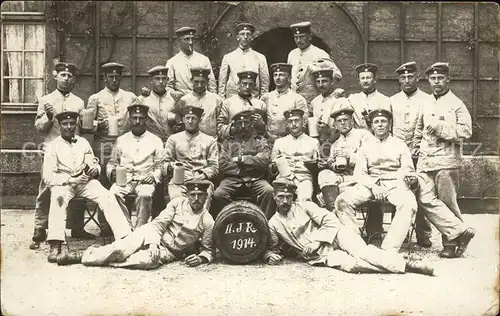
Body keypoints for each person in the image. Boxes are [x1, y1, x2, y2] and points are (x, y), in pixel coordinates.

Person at [263, 179, 434, 276]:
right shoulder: (274, 223)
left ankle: (409, 265)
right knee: (352, 266)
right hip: (321, 254)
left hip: (337, 235)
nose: (285, 201)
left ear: (293, 196)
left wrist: (316, 241)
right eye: (281, 197)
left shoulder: (305, 206)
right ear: (274, 197)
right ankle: (399, 262)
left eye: (288, 197)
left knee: (362, 252)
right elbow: (273, 248)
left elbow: (331, 220)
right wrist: (270, 256)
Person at [62, 180, 214, 269]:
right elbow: (157, 225)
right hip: (151, 234)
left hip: (170, 251)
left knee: (144, 261)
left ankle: (105, 256)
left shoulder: (207, 221)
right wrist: (153, 243)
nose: (196, 199)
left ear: (206, 196)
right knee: (120, 249)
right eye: (192, 195)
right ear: (187, 195)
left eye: (200, 195)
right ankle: (81, 256)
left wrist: (201, 259)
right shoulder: (176, 204)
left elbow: (208, 249)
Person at [43, 111, 132, 263]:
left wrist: (94, 169)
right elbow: (47, 176)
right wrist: (70, 179)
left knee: (107, 196)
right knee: (57, 197)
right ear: (59, 125)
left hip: (85, 183)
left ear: (76, 124)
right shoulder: (53, 146)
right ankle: (55, 242)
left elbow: (93, 162)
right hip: (65, 184)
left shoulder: (83, 142)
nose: (69, 127)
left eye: (72, 123)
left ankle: (124, 237)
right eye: (65, 124)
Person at [334, 109, 418, 251]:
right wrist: (373, 186)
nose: (380, 125)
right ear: (372, 126)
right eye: (376, 122)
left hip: (394, 183)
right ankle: (355, 244)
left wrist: (410, 177)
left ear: (390, 124)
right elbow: (360, 173)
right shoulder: (366, 146)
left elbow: (407, 169)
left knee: (409, 204)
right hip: (369, 184)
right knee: (342, 201)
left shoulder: (400, 144)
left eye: (383, 121)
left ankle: (389, 248)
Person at [416, 62, 475, 257]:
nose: (436, 82)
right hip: (425, 161)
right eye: (433, 79)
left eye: (440, 78)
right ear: (429, 80)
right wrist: (416, 148)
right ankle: (460, 231)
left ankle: (449, 246)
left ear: (447, 79)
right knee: (424, 199)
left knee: (447, 202)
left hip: (447, 161)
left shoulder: (456, 103)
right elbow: (419, 129)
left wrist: (442, 128)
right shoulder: (425, 102)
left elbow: (466, 131)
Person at [30, 62, 90, 250]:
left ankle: (76, 227)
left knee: (78, 183)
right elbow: (39, 128)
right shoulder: (46, 100)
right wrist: (48, 117)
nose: (66, 78)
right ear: (55, 76)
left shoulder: (79, 102)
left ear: (73, 79)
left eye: (69, 76)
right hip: (52, 150)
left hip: (72, 150)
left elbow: (81, 129)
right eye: (62, 74)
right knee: (47, 189)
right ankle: (40, 228)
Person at [390, 61, 433, 247]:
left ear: (417, 78)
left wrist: (419, 146)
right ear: (399, 80)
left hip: (419, 153)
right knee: (398, 189)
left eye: (410, 77)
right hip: (398, 154)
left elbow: (429, 128)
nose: (407, 80)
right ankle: (399, 233)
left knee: (421, 191)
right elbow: (388, 128)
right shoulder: (392, 100)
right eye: (403, 77)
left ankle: (424, 234)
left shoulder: (427, 99)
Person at [107, 104, 164, 228]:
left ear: (146, 120)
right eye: (134, 118)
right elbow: (112, 162)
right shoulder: (121, 140)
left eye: (141, 118)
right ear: (130, 119)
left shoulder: (155, 140)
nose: (137, 121)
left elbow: (161, 165)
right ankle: (125, 229)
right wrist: (112, 173)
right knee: (113, 193)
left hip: (144, 180)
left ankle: (140, 229)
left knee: (145, 195)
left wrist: (154, 176)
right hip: (124, 180)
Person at [212, 110, 275, 219]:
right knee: (219, 194)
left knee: (268, 191)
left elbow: (264, 160)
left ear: (251, 125)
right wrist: (249, 165)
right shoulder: (228, 142)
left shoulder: (260, 141)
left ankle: (264, 222)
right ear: (234, 126)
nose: (243, 127)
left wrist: (242, 159)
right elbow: (222, 164)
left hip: (255, 179)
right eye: (239, 124)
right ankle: (229, 220)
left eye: (246, 123)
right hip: (232, 179)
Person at [317, 108, 374, 211]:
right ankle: (334, 210)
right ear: (335, 125)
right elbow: (334, 167)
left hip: (361, 177)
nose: (343, 123)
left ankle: (334, 212)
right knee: (324, 174)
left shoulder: (363, 135)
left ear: (351, 121)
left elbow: (372, 158)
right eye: (339, 121)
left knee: (323, 196)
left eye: (346, 119)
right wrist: (330, 164)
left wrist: (349, 156)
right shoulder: (335, 144)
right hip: (345, 178)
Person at [163, 106, 218, 208]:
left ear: (199, 120)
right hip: (180, 181)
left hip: (201, 180)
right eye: (187, 118)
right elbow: (165, 163)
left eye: (194, 118)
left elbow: (214, 167)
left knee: (200, 207)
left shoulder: (209, 140)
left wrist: (203, 175)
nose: (190, 121)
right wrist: (173, 166)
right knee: (179, 206)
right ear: (183, 120)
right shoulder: (173, 139)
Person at [287, 22, 341, 105]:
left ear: (310, 37)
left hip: (313, 101)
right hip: (294, 102)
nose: (298, 41)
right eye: (296, 37)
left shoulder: (319, 53)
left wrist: (318, 70)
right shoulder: (292, 54)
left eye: (301, 37)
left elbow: (337, 75)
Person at [271, 109, 319, 201]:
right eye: (290, 121)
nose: (293, 124)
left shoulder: (313, 142)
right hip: (283, 178)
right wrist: (274, 166)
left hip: (304, 178)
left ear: (303, 122)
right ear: (287, 124)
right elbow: (271, 166)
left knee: (305, 199)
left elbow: (318, 165)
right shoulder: (279, 142)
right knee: (282, 200)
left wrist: (313, 165)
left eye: (297, 120)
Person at [218, 22, 270, 99]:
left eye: (248, 34)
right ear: (238, 37)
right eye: (242, 34)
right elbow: (222, 83)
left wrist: (261, 101)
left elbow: (264, 83)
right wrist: (222, 100)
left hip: (253, 100)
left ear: (252, 37)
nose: (245, 37)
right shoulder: (228, 57)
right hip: (233, 100)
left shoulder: (260, 57)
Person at [165, 26, 217, 101]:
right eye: (186, 39)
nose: (190, 42)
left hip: (202, 100)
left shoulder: (204, 59)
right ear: (179, 41)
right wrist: (174, 93)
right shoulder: (172, 62)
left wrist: (212, 100)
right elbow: (168, 86)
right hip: (182, 101)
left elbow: (212, 84)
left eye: (192, 39)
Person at [261, 63, 308, 144]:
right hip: (268, 140)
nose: (278, 78)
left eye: (281, 75)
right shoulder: (266, 98)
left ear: (289, 78)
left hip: (289, 142)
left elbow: (303, 124)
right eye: (275, 75)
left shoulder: (297, 99)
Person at [217, 70, 267, 140]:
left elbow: (265, 133)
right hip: (233, 145)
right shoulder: (228, 103)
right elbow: (220, 129)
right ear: (238, 84)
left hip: (254, 146)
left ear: (254, 86)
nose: (247, 87)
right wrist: (233, 128)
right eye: (244, 83)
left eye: (250, 84)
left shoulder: (261, 104)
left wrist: (260, 124)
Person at [310, 68, 353, 146]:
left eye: (324, 81)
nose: (321, 85)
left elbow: (348, 127)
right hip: (319, 144)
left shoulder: (341, 100)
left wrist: (329, 130)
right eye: (318, 82)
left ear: (332, 82)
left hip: (339, 142)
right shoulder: (315, 102)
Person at [137, 66, 178, 143]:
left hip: (171, 141)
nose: (161, 82)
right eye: (157, 78)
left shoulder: (174, 99)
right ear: (151, 80)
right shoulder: (143, 100)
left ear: (167, 80)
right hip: (150, 142)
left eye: (163, 78)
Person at [178, 66, 222, 138]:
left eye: (203, 82)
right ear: (191, 80)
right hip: (191, 141)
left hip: (211, 140)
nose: (199, 85)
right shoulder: (184, 100)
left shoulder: (216, 99)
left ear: (207, 81)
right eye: (196, 82)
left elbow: (220, 123)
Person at [348, 63, 392, 130]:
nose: (365, 81)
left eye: (368, 78)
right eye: (362, 78)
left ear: (375, 79)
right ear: (359, 81)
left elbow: (388, 125)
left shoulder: (385, 100)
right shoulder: (352, 99)